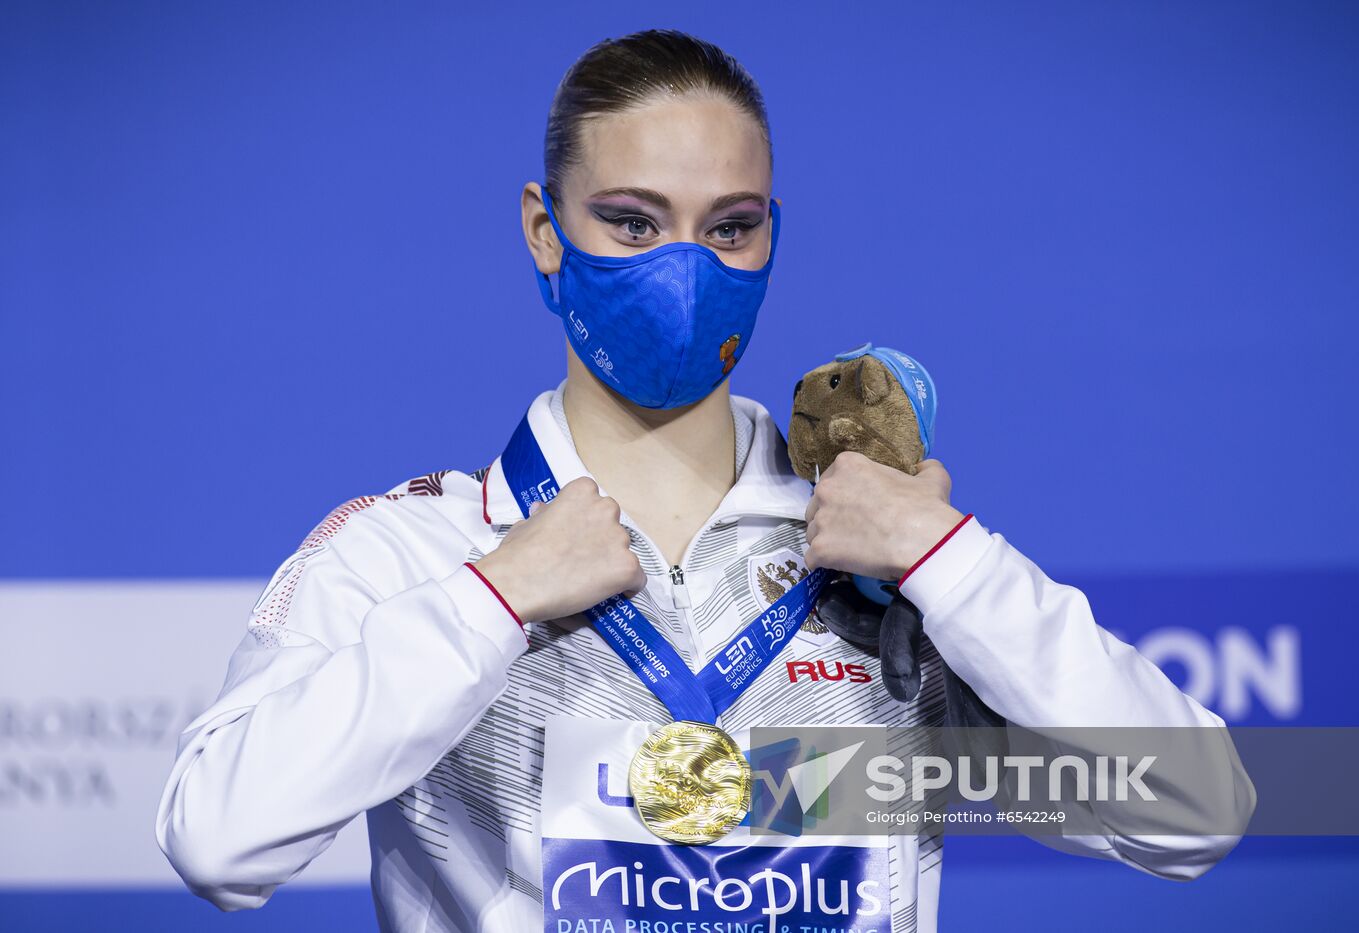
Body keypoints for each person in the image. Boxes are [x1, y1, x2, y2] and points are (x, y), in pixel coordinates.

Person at [155, 28, 1255, 932]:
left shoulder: (886, 568)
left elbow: (1195, 812)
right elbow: (217, 840)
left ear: (769, 237)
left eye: (727, 229)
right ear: (544, 231)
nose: (683, 270)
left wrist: (947, 559)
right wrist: (490, 601)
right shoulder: (416, 552)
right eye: (630, 222)